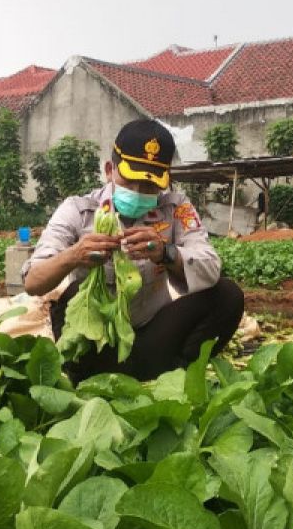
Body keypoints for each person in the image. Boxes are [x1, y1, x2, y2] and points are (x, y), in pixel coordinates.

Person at [23, 119, 245, 382]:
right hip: (100, 338)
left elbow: (210, 267)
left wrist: (166, 252)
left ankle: (174, 376)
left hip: (153, 333)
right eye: (129, 181)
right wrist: (74, 255)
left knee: (227, 295)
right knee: (70, 298)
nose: (139, 192)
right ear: (109, 170)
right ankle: (90, 376)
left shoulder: (177, 209)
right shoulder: (78, 210)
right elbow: (32, 281)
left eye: (150, 185)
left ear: (165, 181)